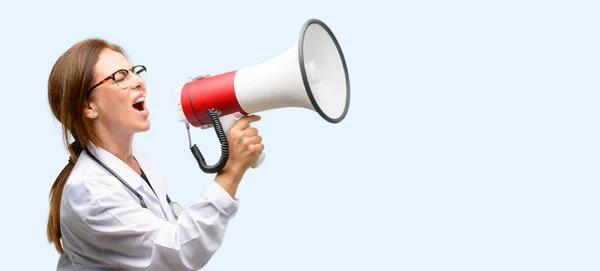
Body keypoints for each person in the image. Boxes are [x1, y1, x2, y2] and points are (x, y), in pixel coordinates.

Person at [46, 38, 264, 270]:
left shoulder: (134, 160)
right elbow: (180, 252)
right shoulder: (91, 195)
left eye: (134, 71)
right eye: (120, 77)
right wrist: (231, 171)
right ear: (88, 107)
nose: (139, 82)